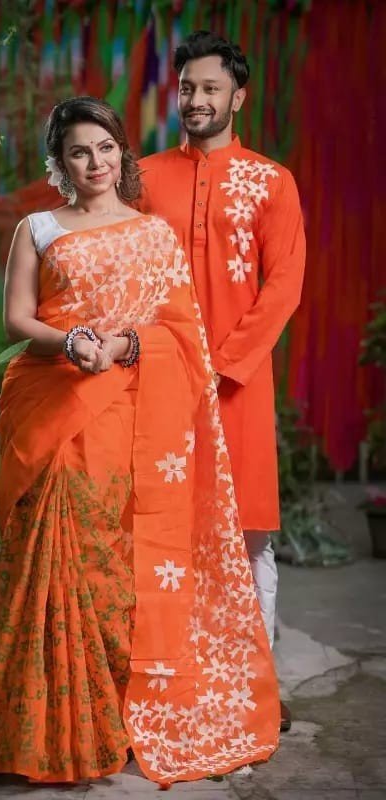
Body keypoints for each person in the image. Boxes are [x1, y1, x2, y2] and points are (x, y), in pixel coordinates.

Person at [0, 96, 280, 786]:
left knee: (112, 564)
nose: (96, 163)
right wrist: (72, 341)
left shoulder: (152, 235)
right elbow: (18, 319)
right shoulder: (37, 228)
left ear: (121, 153)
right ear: (59, 161)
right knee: (54, 558)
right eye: (79, 151)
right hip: (52, 405)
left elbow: (180, 333)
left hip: (131, 418)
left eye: (106, 148)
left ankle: (112, 717)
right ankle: (42, 736)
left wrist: (125, 344)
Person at [137, 31, 306, 733]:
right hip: (154, 384)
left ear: (238, 96)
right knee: (160, 533)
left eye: (210, 88)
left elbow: (284, 284)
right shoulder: (140, 178)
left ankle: (255, 686)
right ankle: (167, 682)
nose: (196, 99)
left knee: (248, 536)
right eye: (187, 88)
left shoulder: (271, 181)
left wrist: (223, 363)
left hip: (236, 386)